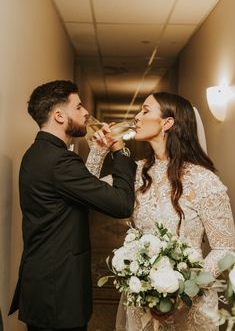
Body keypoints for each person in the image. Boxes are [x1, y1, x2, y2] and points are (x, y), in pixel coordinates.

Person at [88, 92, 235, 331]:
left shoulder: (204, 180)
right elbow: (87, 191)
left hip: (190, 301)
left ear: (167, 122)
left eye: (145, 110)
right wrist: (98, 150)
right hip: (143, 300)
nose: (137, 116)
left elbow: (225, 247)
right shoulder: (135, 173)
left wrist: (184, 289)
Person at [8, 80, 137, 331]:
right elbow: (121, 204)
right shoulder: (59, 161)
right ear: (59, 115)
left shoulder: (38, 153)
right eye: (78, 107)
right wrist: (120, 152)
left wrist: (97, 153)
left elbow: (78, 194)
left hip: (45, 283)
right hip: (57, 291)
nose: (86, 112)